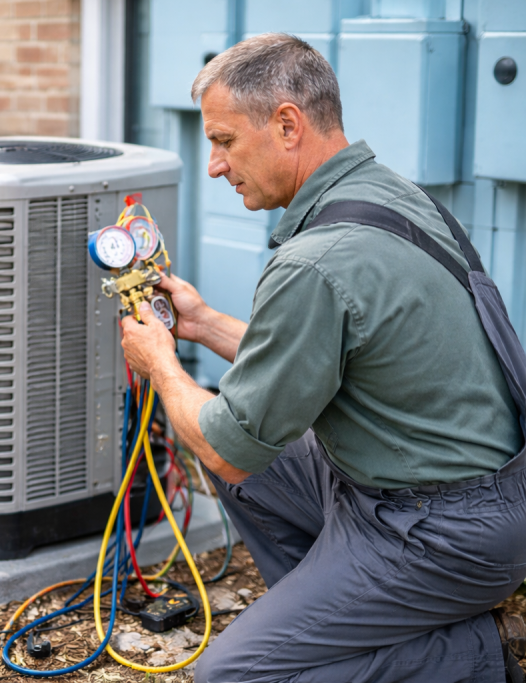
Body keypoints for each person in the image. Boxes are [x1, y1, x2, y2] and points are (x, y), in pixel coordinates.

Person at [120, 33, 526, 683]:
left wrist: (161, 363)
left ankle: (471, 653)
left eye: (223, 141)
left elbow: (226, 448)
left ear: (287, 125)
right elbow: (325, 352)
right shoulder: (389, 195)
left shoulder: (317, 260)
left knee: (234, 675)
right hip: (463, 496)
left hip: (441, 532)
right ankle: (333, 623)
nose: (215, 166)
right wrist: (202, 324)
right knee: (249, 449)